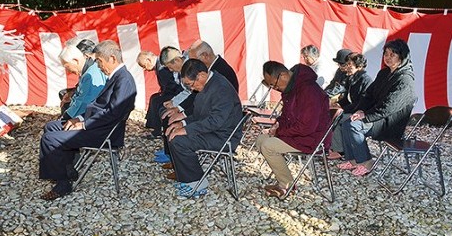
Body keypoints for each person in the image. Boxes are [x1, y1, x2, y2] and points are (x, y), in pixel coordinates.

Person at [39, 40, 137, 200]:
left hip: (104, 132)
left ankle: (63, 184)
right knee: (51, 127)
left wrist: (83, 124)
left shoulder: (123, 80)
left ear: (112, 58)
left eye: (99, 61)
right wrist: (78, 118)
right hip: (98, 125)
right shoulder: (117, 77)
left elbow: (112, 114)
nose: (98, 65)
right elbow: (99, 107)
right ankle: (67, 170)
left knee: (50, 139)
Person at [338, 39, 416, 176]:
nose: (388, 58)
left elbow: (388, 108)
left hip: (389, 123)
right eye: (386, 54)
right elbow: (369, 95)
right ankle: (353, 160)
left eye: (392, 54)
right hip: (377, 116)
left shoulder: (405, 80)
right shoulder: (384, 73)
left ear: (402, 57)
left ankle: (366, 161)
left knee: (354, 125)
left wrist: (366, 116)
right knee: (346, 121)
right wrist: (360, 110)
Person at [166, 59, 243, 197]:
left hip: (224, 137)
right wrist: (182, 124)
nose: (191, 88)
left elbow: (215, 121)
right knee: (173, 133)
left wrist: (186, 130)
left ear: (201, 75)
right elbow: (199, 114)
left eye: (191, 84)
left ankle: (197, 185)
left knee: (179, 141)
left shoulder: (221, 89)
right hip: (214, 131)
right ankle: (187, 180)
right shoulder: (207, 84)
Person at [256, 61, 331, 198]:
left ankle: (286, 185)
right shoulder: (292, 88)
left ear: (283, 75)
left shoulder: (308, 90)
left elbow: (307, 127)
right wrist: (277, 125)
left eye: (274, 85)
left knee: (268, 145)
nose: (275, 88)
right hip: (299, 134)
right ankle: (285, 181)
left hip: (312, 139)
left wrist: (279, 132)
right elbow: (286, 116)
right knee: (261, 140)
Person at [328, 53, 372, 159]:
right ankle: (334, 147)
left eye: (350, 65)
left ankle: (340, 151)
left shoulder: (365, 80)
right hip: (352, 108)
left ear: (359, 66)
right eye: (347, 64)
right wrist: (338, 104)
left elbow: (362, 102)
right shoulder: (352, 78)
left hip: (361, 112)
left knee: (340, 119)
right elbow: (347, 97)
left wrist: (343, 109)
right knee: (331, 115)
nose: (347, 67)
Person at [137, 50, 182, 139]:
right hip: (173, 91)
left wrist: (163, 94)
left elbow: (171, 85)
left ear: (148, 60)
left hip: (176, 93)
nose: (145, 69)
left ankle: (156, 129)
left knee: (156, 101)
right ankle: (153, 126)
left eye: (144, 66)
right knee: (154, 97)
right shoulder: (160, 66)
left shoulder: (162, 68)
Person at [59, 38, 106, 122]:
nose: (68, 71)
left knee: (51, 127)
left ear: (76, 60)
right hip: (90, 113)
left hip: (92, 118)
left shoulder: (91, 74)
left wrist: (65, 116)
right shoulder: (90, 69)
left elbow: (83, 103)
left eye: (67, 67)